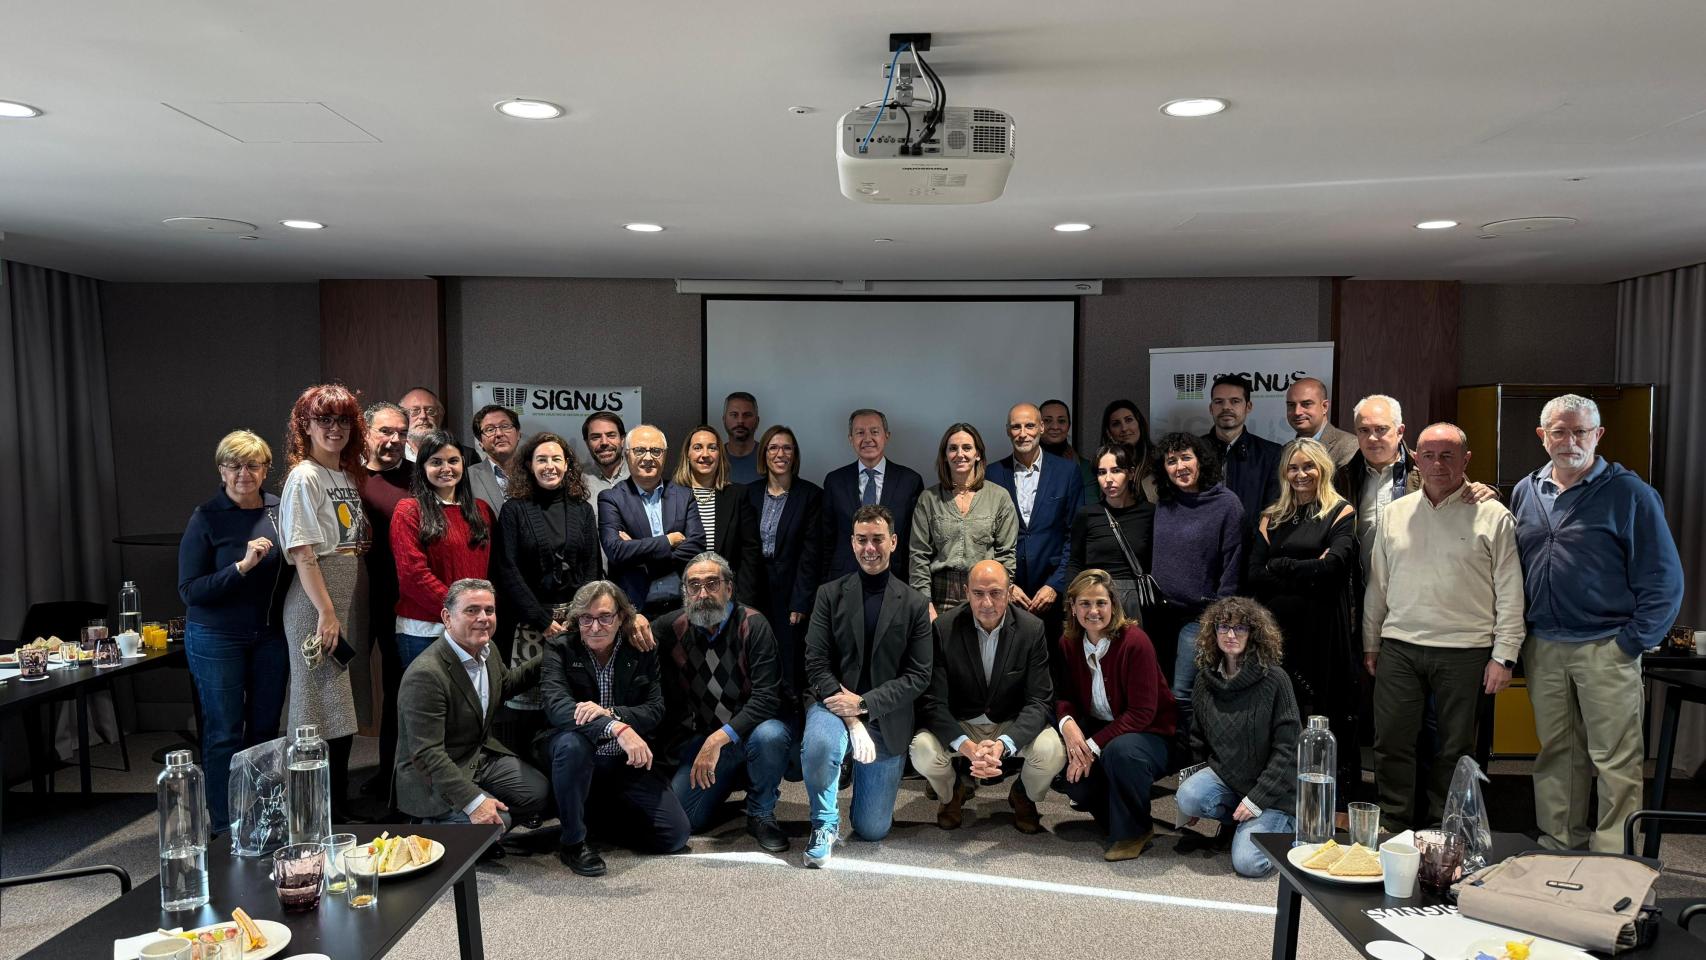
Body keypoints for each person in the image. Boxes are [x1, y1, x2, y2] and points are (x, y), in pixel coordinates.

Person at [1511, 394, 1684, 852]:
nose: (1570, 441)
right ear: (1542, 436)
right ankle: (1561, 839)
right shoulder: (1526, 491)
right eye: (1560, 431)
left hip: (1607, 645)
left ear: (1598, 435)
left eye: (1581, 432)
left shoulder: (1631, 494)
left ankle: (1614, 853)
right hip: (1544, 645)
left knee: (1615, 759)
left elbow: (1664, 579)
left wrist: (1632, 642)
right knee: (1557, 755)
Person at [1363, 423, 1525, 829]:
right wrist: (1371, 642)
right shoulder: (1396, 513)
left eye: (1448, 455)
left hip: (1466, 651)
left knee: (1456, 749)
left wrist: (1504, 656)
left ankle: (1445, 828)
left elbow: (1510, 591)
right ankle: (1396, 824)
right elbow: (1378, 584)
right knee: (1392, 742)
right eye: (1429, 455)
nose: (1438, 464)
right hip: (1399, 646)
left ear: (1466, 460)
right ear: (1415, 458)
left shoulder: (1493, 515)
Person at [800, 504, 933, 867]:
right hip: (832, 704)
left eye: (877, 539)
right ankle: (824, 822)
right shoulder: (829, 594)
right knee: (820, 745)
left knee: (872, 828)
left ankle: (852, 772)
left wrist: (865, 705)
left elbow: (919, 675)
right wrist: (852, 718)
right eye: (862, 540)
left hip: (885, 715)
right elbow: (815, 661)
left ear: (893, 542)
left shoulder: (915, 604)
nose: (869, 548)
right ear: (852, 542)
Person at [177, 430, 291, 829]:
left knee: (264, 729)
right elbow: (190, 591)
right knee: (225, 731)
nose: (243, 473)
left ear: (266, 470)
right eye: (234, 465)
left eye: (252, 465)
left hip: (270, 635)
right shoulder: (206, 517)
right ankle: (225, 824)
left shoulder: (279, 508)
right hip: (216, 637)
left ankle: (263, 818)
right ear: (221, 470)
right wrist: (240, 568)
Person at [538, 580, 690, 876]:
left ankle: (595, 821)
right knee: (572, 744)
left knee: (675, 836)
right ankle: (573, 842)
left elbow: (655, 709)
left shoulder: (641, 649)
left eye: (605, 617)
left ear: (621, 617)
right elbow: (558, 709)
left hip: (624, 761)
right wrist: (616, 727)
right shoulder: (559, 649)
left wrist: (611, 712)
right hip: (575, 754)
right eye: (586, 618)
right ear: (576, 619)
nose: (595, 627)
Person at [909, 560, 1064, 833]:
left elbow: (1039, 701)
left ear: (1009, 592)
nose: (987, 603)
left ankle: (1023, 795)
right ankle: (951, 794)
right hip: (963, 722)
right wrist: (966, 747)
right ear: (966, 592)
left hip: (1009, 722)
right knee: (921, 750)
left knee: (1052, 750)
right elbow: (932, 702)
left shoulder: (1032, 629)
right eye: (978, 593)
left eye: (995, 593)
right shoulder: (944, 629)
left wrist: (1004, 744)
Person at [654, 553, 791, 851]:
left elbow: (767, 698)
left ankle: (761, 812)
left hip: (748, 733)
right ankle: (732, 780)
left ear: (729, 588)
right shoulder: (670, 628)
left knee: (772, 734)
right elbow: (627, 634)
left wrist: (718, 739)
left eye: (712, 584)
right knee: (686, 821)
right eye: (694, 585)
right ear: (685, 592)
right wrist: (634, 619)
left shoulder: (753, 625)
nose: (702, 594)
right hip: (705, 740)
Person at [278, 382, 371, 819]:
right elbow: (302, 551)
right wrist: (326, 612)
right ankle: (313, 814)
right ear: (305, 425)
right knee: (315, 709)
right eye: (324, 419)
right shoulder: (305, 476)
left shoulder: (343, 474)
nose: (334, 429)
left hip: (339, 592)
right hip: (315, 602)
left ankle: (334, 809)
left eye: (343, 420)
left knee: (337, 708)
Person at [1246, 438, 1359, 792]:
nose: (1301, 474)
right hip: (1277, 630)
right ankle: (1276, 789)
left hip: (1323, 628)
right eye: (1293, 467)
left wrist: (1279, 565)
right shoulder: (1271, 516)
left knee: (1322, 709)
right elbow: (1253, 573)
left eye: (1308, 466)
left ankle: (1326, 795)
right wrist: (1309, 566)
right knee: (1278, 709)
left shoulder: (1340, 511)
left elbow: (1336, 568)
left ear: (1323, 468)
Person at [394, 579, 547, 832]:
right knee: (497, 825)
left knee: (537, 793)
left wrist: (554, 652)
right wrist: (474, 802)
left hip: (477, 758)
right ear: (447, 617)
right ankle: (425, 824)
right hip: (432, 774)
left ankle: (475, 822)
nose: (483, 617)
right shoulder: (425, 674)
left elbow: (505, 685)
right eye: (472, 610)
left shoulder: (487, 649)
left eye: (489, 610)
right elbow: (428, 755)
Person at [489, 431, 603, 745]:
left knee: (572, 706)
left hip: (575, 623)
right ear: (529, 465)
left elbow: (593, 568)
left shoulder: (582, 509)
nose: (549, 465)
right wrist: (542, 621)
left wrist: (576, 617)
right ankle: (530, 784)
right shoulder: (514, 510)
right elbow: (507, 570)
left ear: (567, 465)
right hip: (530, 623)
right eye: (542, 459)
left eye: (556, 459)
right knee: (528, 710)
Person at [1054, 569, 1177, 861]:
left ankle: (1134, 830)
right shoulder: (1068, 643)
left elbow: (1142, 712)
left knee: (1119, 753)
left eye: (1101, 603)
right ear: (1072, 607)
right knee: (1070, 776)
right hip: (1105, 732)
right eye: (1084, 603)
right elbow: (1064, 697)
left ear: (1113, 605)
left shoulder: (1135, 641)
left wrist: (1091, 747)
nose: (1093, 611)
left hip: (1153, 735)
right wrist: (1068, 725)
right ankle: (1118, 820)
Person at [1175, 596, 1300, 878]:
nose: (1230, 635)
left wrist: (1255, 800)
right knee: (1188, 796)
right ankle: (1239, 820)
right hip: (1232, 783)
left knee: (1248, 865)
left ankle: (1289, 826)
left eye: (1240, 628)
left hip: (1275, 795)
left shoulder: (1275, 680)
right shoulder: (1205, 681)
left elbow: (1288, 750)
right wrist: (1191, 801)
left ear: (1253, 634)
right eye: (1223, 627)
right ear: (1213, 632)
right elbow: (1197, 741)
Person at [1334, 394, 1497, 575]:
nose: (1372, 438)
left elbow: (1472, 500)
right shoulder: (1343, 478)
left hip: (1418, 588)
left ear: (1400, 431)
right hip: (1361, 590)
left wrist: (1489, 492)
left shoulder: (1429, 469)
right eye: (1363, 430)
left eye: (1381, 429)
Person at [1149, 432, 1243, 735]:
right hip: (1159, 614)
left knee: (1183, 693)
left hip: (1200, 616)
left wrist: (1218, 618)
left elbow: (1233, 565)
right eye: (1171, 461)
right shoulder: (1164, 503)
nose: (1180, 466)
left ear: (1200, 460)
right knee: (1158, 692)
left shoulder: (1227, 504)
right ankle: (1170, 756)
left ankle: (1195, 759)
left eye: (1186, 457)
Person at [391, 431, 495, 669]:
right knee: (430, 705)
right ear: (423, 467)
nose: (446, 468)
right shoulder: (409, 511)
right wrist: (459, 613)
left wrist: (473, 616)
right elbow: (413, 576)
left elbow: (489, 572)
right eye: (436, 462)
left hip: (473, 629)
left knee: (472, 705)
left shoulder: (481, 511)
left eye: (453, 461)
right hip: (424, 632)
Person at [357, 401, 413, 803]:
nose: (393, 440)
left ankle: (392, 777)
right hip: (355, 600)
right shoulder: (348, 478)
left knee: (399, 691)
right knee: (348, 692)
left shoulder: (418, 478)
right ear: (367, 432)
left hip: (403, 601)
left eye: (400, 433)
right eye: (385, 432)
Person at [744, 425, 823, 706]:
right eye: (773, 447)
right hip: (756, 587)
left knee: (790, 658)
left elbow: (812, 553)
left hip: (792, 591)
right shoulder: (749, 494)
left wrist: (801, 601)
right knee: (757, 654)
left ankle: (792, 717)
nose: (780, 454)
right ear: (764, 453)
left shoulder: (811, 495)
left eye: (787, 448)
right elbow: (746, 548)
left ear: (795, 454)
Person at [987, 403, 1084, 626]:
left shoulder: (1067, 472)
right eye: (1016, 427)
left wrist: (1055, 585)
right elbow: (985, 536)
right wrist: (1005, 584)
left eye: (1029, 426)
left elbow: (1075, 535)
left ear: (1041, 427)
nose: (1023, 434)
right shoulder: (992, 474)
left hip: (1053, 592)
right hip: (1008, 593)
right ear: (1007, 431)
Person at [909, 422, 1018, 617]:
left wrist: (1001, 595)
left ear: (978, 454)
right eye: (953, 448)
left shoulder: (999, 497)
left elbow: (1006, 555)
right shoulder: (928, 499)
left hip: (986, 591)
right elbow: (918, 556)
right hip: (940, 594)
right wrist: (925, 603)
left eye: (967, 448)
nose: (960, 454)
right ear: (944, 456)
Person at [597, 424, 704, 617]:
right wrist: (668, 542)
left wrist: (641, 557)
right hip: (635, 610)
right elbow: (616, 551)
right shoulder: (611, 498)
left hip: (683, 606)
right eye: (639, 450)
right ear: (626, 454)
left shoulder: (685, 496)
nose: (648, 457)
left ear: (665, 455)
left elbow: (696, 547)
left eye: (655, 451)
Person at [821, 408, 926, 581]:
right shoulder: (835, 481)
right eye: (860, 432)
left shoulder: (910, 481)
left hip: (895, 578)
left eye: (874, 432)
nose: (867, 439)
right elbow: (826, 540)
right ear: (851, 439)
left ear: (887, 436)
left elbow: (914, 542)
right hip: (844, 578)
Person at [1066, 444, 1158, 622]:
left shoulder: (1150, 513)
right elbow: (1075, 563)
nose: (1108, 479)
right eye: (1101, 472)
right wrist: (1070, 601)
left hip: (1134, 602)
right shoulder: (1087, 514)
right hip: (1094, 598)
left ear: (1131, 473)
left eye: (1116, 470)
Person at [673, 425, 762, 605]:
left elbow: (750, 555)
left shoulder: (737, 495)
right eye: (697, 447)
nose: (705, 454)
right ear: (687, 455)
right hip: (680, 600)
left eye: (712, 448)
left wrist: (742, 603)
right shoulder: (670, 495)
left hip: (726, 600)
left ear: (720, 455)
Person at [1203, 374, 1282, 530]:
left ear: (1248, 406)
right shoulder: (1193, 452)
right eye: (1219, 402)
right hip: (1202, 545)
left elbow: (1274, 510)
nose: (1226, 407)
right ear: (1211, 408)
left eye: (1235, 401)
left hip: (1250, 546)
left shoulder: (1272, 454)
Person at [1283, 377, 1357, 467]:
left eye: (1306, 404)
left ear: (1325, 407)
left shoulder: (1348, 446)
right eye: (1291, 405)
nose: (1297, 412)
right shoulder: (1285, 450)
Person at [1039, 398, 1099, 503]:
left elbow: (1088, 508)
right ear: (1038, 426)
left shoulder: (1085, 468)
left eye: (1061, 421)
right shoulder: (1024, 463)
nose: (1055, 426)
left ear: (1069, 426)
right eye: (1047, 420)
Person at [466, 403, 520, 512]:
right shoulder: (467, 478)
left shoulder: (534, 472)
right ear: (480, 442)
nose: (499, 434)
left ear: (518, 434)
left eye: (505, 426)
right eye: (490, 430)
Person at [1099, 398, 1155, 500]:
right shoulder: (1101, 466)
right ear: (1108, 431)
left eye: (1129, 420)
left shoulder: (1159, 461)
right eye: (1116, 424)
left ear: (1139, 423)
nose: (1124, 428)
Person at [579, 411, 630, 502]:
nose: (604, 442)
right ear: (587, 443)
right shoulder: (579, 481)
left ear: (622, 440)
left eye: (611, 435)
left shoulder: (639, 475)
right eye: (596, 437)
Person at [721, 392, 762, 485]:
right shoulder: (712, 459)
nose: (740, 421)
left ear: (757, 421)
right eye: (734, 415)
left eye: (747, 415)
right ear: (724, 420)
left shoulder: (770, 458)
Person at [399, 386, 443, 462]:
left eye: (430, 411)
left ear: (440, 416)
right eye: (415, 411)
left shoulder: (462, 455)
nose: (423, 416)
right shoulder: (391, 455)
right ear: (401, 416)